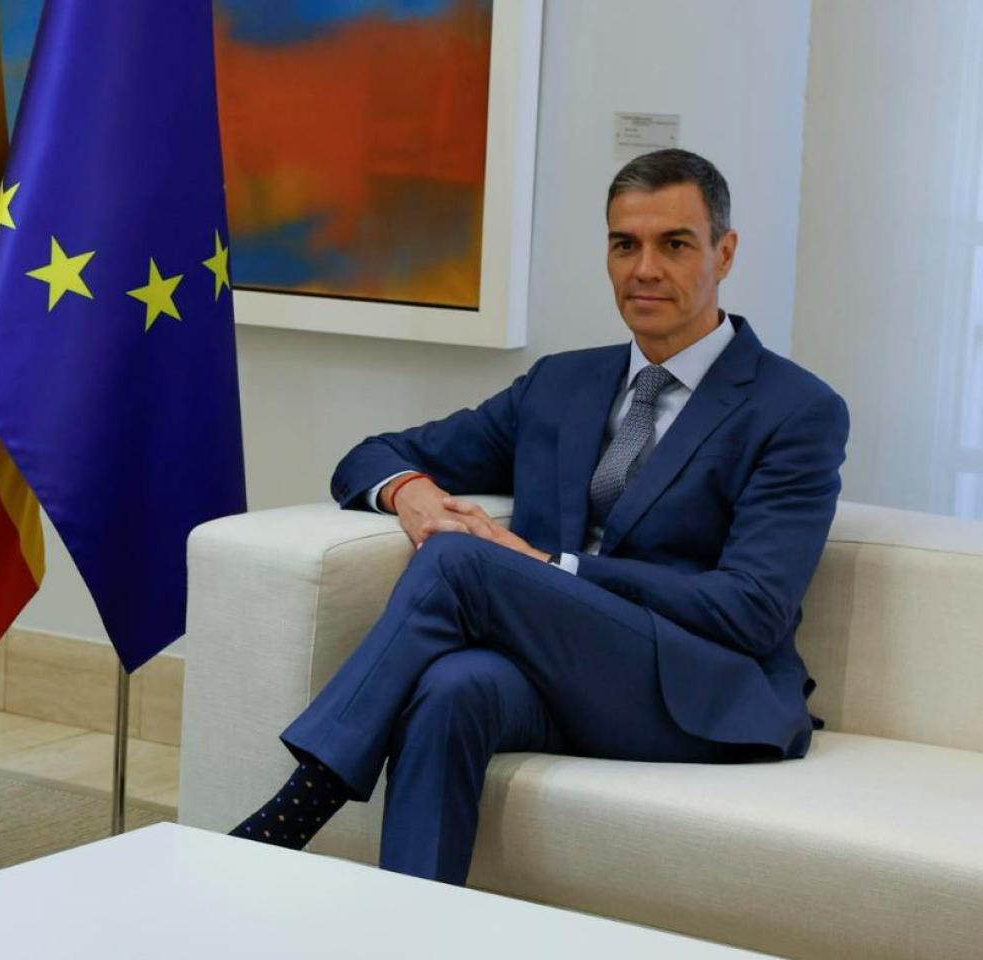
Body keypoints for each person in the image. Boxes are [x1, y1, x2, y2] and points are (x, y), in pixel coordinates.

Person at [227, 149, 850, 885]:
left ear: (726, 252)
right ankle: (408, 922)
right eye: (625, 245)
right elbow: (374, 455)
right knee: (451, 688)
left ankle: (297, 808)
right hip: (557, 670)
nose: (645, 269)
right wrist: (412, 494)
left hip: (692, 688)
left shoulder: (795, 410)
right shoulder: (562, 384)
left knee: (461, 560)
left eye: (675, 244)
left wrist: (557, 569)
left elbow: (752, 610)